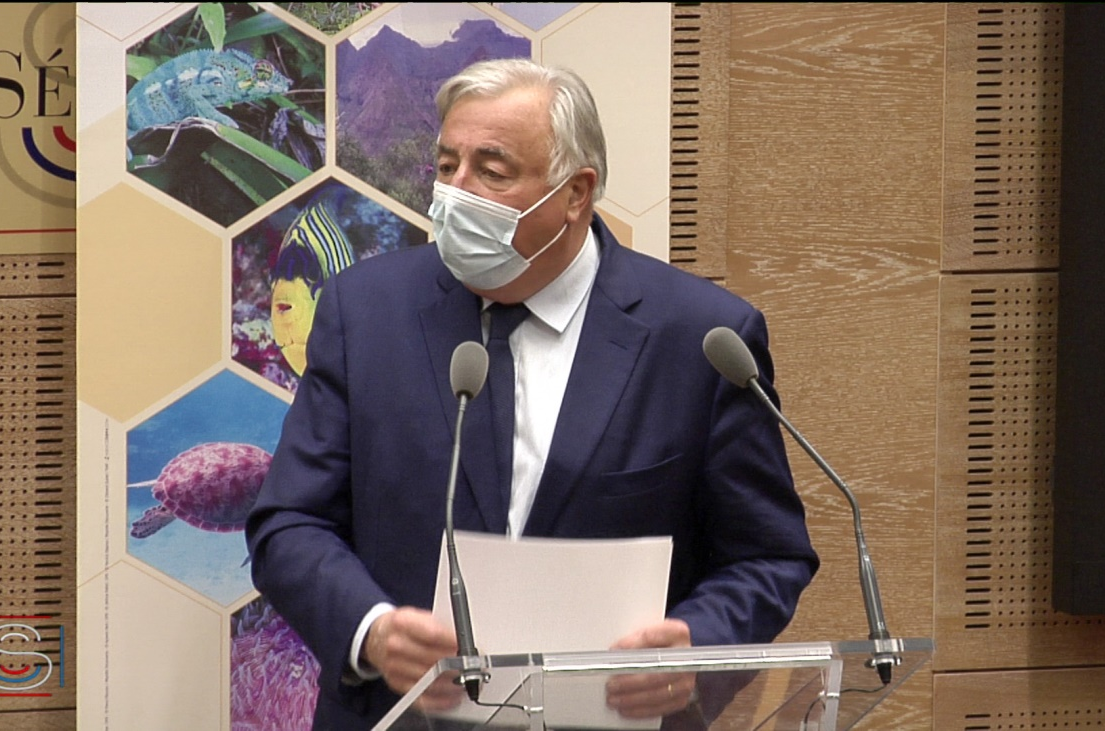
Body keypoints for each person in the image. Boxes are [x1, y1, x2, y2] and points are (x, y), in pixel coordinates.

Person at [246, 57, 819, 730]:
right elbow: (288, 523)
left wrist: (699, 644)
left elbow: (768, 555)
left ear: (575, 193)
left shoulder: (701, 338)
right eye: (447, 165)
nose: (455, 192)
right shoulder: (365, 312)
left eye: (491, 171)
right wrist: (372, 629)